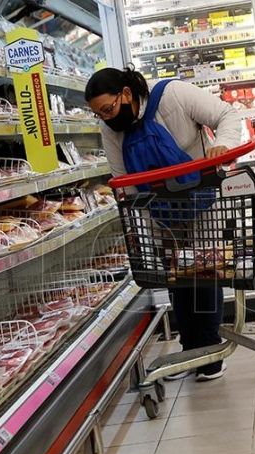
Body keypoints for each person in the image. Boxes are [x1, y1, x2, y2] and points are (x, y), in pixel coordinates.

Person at [85, 67, 241, 382]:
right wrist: (143, 233)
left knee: (204, 269)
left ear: (126, 94)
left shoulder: (173, 94)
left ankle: (208, 350)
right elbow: (125, 184)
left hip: (202, 197)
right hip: (159, 208)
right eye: (99, 114)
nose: (106, 119)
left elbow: (227, 114)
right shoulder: (110, 129)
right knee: (176, 274)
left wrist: (222, 145)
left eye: (108, 109)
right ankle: (190, 348)